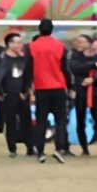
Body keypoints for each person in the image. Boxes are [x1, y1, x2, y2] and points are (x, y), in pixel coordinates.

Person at [26, 19, 72, 164]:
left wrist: (26, 87)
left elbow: (28, 69)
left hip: (41, 88)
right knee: (60, 121)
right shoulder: (60, 46)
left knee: (41, 121)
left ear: (39, 30)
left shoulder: (32, 46)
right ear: (52, 30)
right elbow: (65, 69)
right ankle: (59, 149)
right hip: (58, 87)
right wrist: (70, 87)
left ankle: (40, 152)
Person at [68, 34, 97, 156]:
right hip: (80, 92)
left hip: (93, 93)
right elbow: (75, 68)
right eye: (78, 41)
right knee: (81, 120)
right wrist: (92, 66)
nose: (80, 44)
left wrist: (93, 80)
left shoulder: (96, 56)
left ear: (89, 43)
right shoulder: (74, 55)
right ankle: (84, 148)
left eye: (83, 42)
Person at [0, 32, 34, 157]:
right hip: (8, 95)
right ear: (8, 44)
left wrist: (26, 91)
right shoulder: (1, 60)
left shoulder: (26, 58)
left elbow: (29, 76)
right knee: (10, 122)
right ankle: (12, 148)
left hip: (22, 95)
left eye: (20, 42)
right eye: (15, 42)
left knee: (26, 121)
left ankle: (30, 148)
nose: (18, 45)